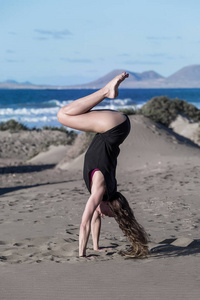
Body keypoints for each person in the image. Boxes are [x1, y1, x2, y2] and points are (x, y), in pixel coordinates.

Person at [57, 72, 149, 258]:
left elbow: (95, 218)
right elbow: (84, 223)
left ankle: (107, 91)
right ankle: (106, 90)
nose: (106, 216)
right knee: (62, 115)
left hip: (117, 127)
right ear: (108, 204)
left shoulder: (109, 192)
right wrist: (82, 254)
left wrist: (96, 247)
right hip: (112, 130)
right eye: (110, 214)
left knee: (67, 113)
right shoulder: (100, 191)